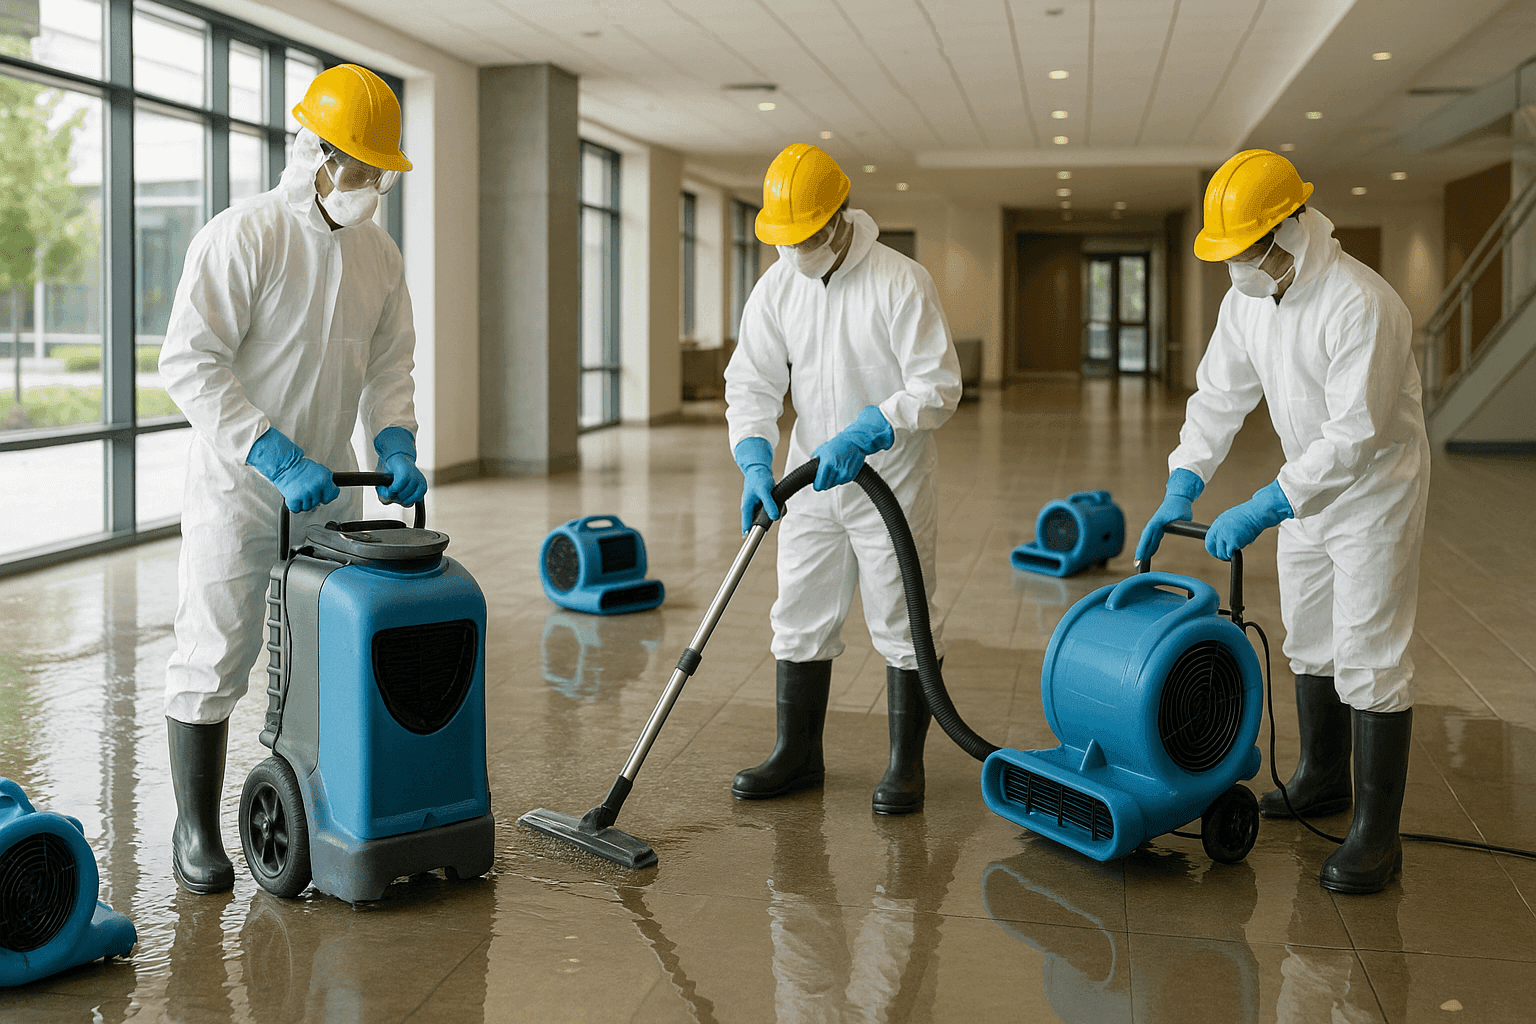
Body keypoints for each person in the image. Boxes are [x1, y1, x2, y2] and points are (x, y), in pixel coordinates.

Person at [158, 64, 426, 894]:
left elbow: (389, 367)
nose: (372, 185)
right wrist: (272, 454)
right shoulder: (243, 236)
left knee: (316, 654)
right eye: (360, 167)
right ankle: (196, 829)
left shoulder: (379, 255)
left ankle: (317, 801)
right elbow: (188, 363)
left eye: (380, 172)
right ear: (313, 152)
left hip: (330, 495)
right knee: (217, 652)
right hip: (241, 493)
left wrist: (395, 441)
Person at [1135, 149, 1430, 894]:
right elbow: (1217, 397)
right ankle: (1322, 777)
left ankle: (1377, 836)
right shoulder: (1249, 301)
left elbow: (1353, 437)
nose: (1234, 267)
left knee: (1369, 649)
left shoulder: (1360, 303)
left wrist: (1266, 503)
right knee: (1309, 634)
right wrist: (1183, 481)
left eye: (1243, 251)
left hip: (1372, 493)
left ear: (1289, 231)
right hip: (1305, 488)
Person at [725, 143, 962, 815]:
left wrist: (871, 428)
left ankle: (903, 766)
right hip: (810, 480)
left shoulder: (899, 280)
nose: (795, 248)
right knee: (798, 612)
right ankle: (797, 754)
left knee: (901, 617)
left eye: (804, 235)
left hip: (892, 479)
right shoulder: (777, 285)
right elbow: (753, 380)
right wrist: (752, 460)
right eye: (785, 238)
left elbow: (939, 387)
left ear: (835, 220)